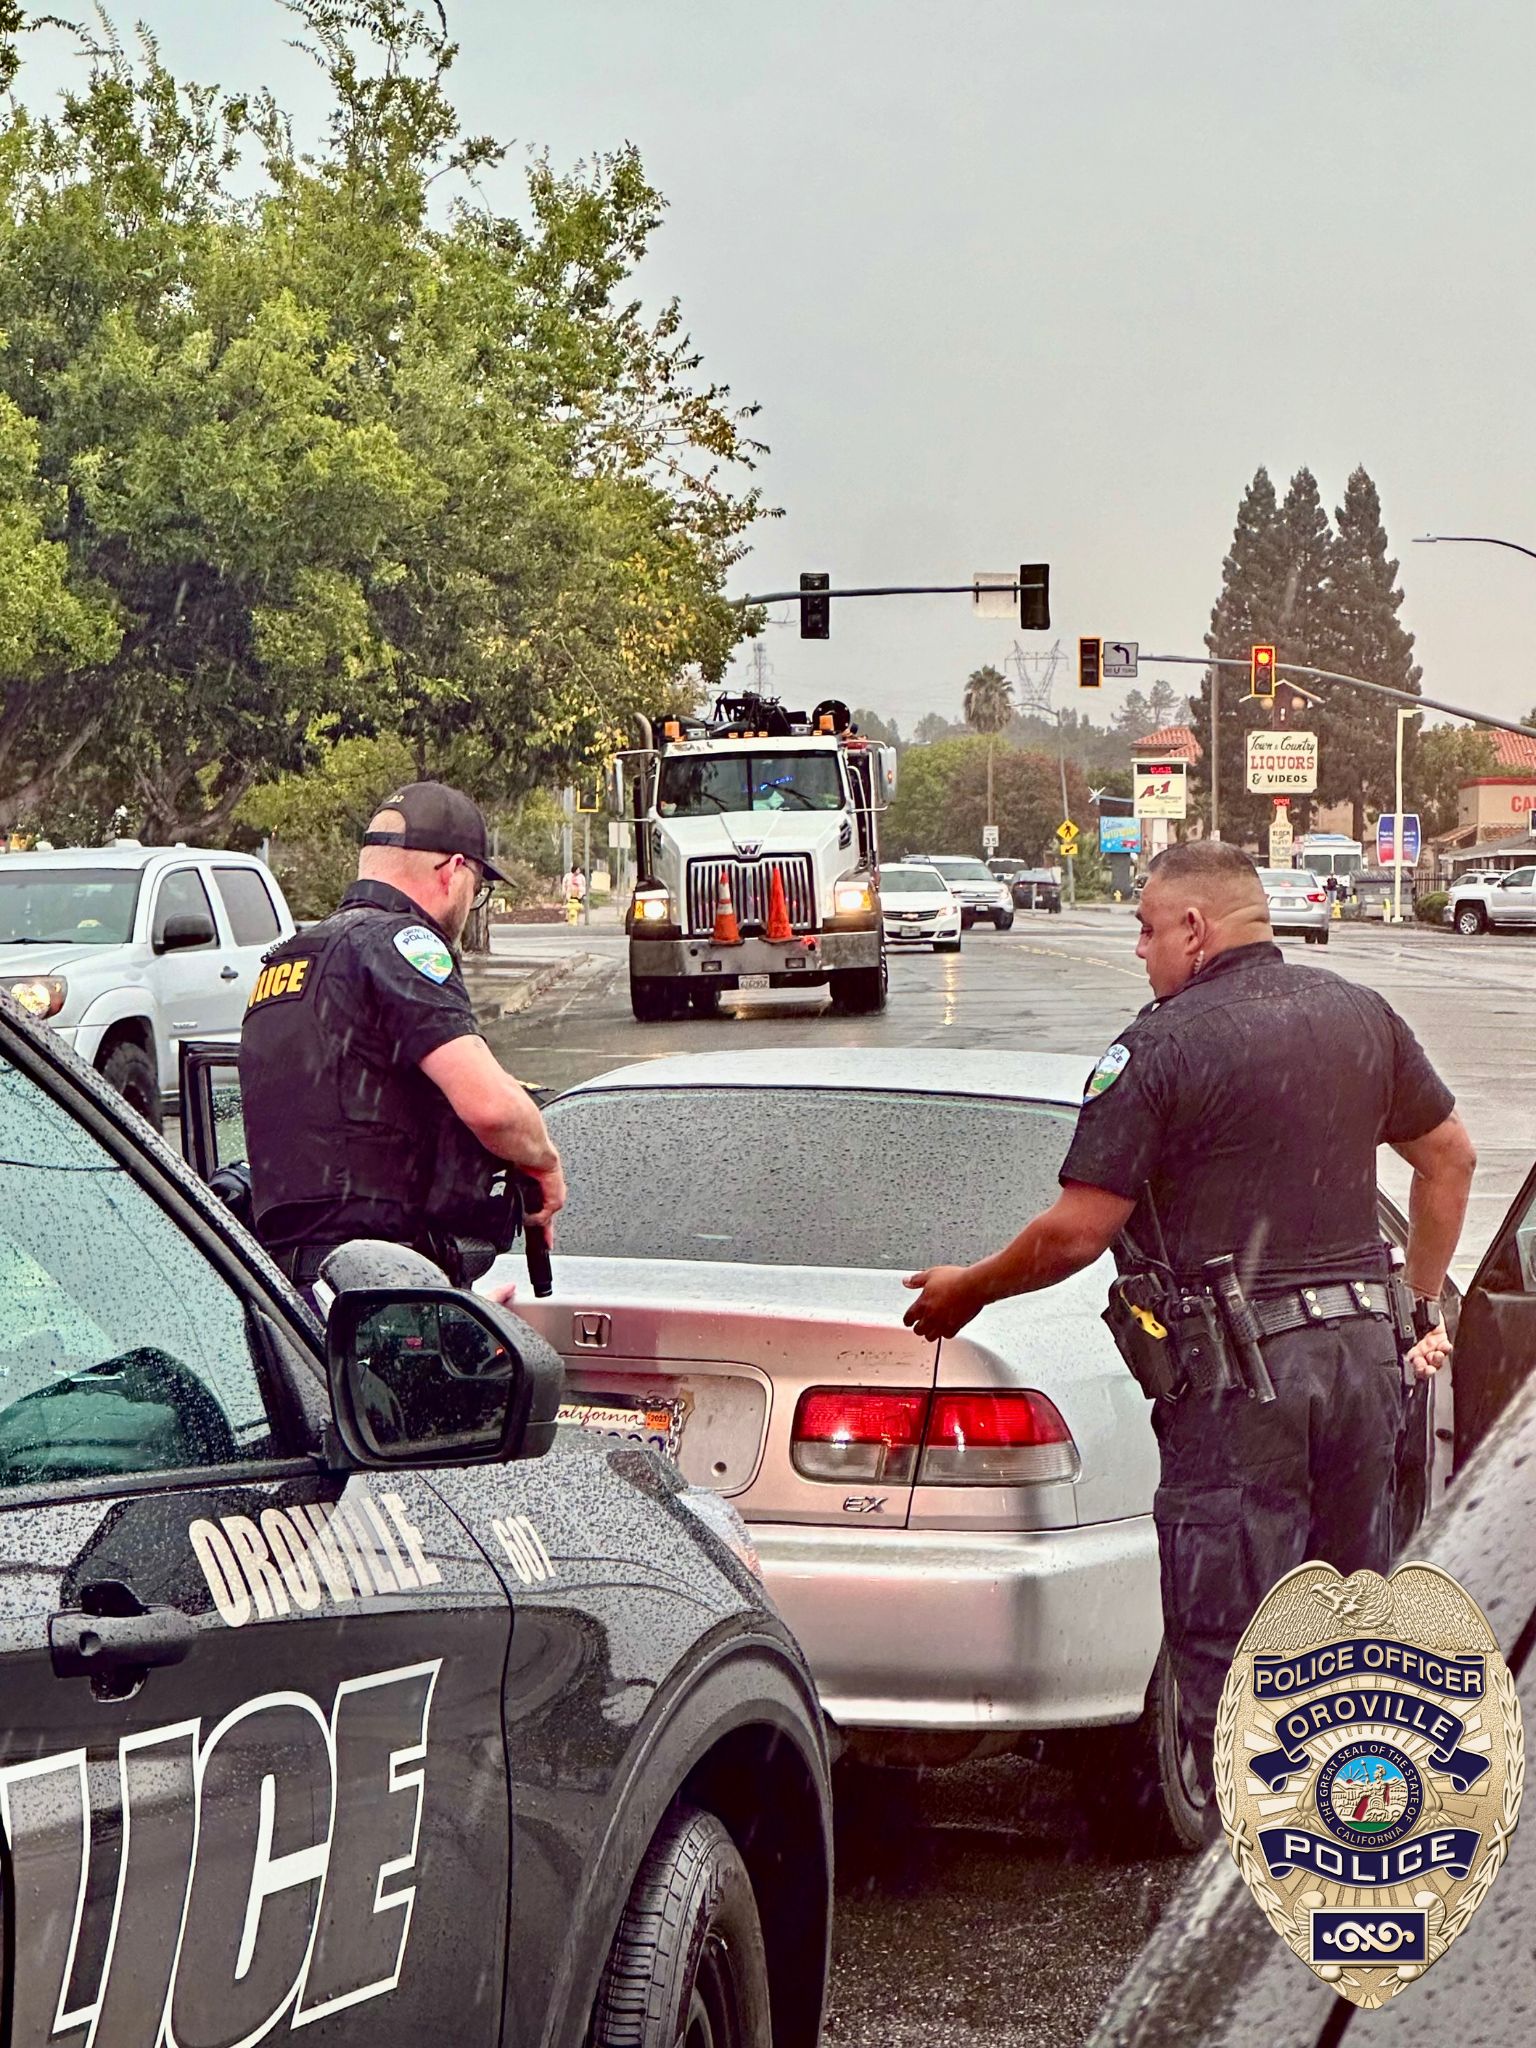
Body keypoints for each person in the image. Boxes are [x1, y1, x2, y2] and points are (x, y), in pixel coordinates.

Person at [903, 840, 1474, 1809]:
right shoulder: (1360, 1016)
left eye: (1144, 926)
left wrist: (972, 1288)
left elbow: (1080, 1230)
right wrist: (1414, 1301)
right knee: (1350, 1661)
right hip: (1361, 1374)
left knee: (1244, 1683)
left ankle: (1251, 1929)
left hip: (1242, 1392)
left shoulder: (1161, 1046)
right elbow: (1451, 1159)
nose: (1139, 948)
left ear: (1194, 929)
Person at [241, 781, 565, 1292]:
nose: (470, 901)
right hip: (382, 1285)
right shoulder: (401, 943)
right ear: (453, 870)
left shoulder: (290, 958)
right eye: (477, 887)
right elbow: (492, 1108)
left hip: (286, 1289)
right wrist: (543, 1162)